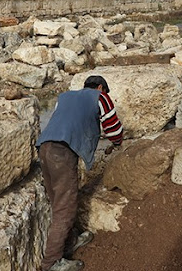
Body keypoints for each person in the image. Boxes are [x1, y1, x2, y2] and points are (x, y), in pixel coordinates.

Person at [36, 75, 123, 271]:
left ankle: (70, 242)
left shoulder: (65, 97)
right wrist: (117, 143)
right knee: (65, 207)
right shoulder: (101, 97)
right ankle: (51, 262)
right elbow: (113, 127)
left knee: (57, 201)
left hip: (44, 148)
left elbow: (62, 122)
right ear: (101, 87)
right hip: (62, 152)